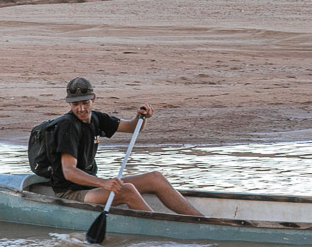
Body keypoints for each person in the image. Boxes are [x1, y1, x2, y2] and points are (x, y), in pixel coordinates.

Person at [49, 77, 203, 217]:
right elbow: (69, 172)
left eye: (85, 103)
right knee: (127, 190)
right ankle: (161, 228)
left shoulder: (97, 118)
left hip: (91, 185)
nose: (81, 109)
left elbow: (132, 127)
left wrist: (141, 117)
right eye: (76, 104)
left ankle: (200, 220)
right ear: (69, 103)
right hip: (71, 192)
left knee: (155, 178)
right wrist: (104, 183)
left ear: (93, 99)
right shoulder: (67, 126)